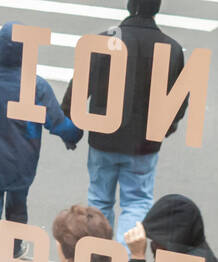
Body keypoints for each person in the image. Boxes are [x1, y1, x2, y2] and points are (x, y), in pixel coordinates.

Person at [0, 22, 82, 262]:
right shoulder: (37, 86)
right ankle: (14, 250)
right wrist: (74, 135)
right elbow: (57, 123)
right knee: (17, 209)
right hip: (21, 164)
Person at [62, 0, 185, 246]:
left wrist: (70, 129)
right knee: (137, 202)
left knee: (99, 200)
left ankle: (97, 258)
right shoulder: (172, 49)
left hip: (103, 138)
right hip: (145, 143)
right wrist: (163, 130)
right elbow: (179, 101)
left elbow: (77, 91)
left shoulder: (103, 41)